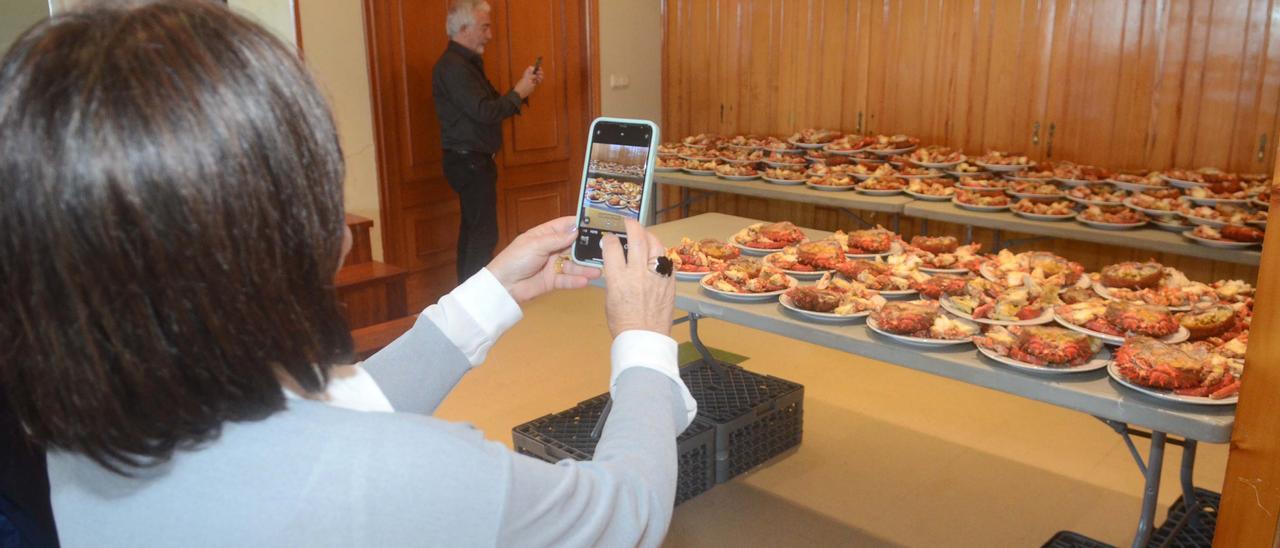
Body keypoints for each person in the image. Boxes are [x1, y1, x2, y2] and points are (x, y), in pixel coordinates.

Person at [0, 2, 694, 547]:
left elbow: (327, 422)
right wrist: (642, 338)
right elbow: (626, 512)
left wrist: (488, 295)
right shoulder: (411, 477)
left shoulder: (82, 426)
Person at [433, 0, 544, 283]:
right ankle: (472, 300)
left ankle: (466, 297)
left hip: (471, 159)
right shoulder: (454, 67)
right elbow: (486, 112)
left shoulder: (465, 64)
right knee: (482, 235)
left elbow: (493, 104)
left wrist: (523, 87)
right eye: (484, 27)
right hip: (468, 160)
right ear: (464, 28)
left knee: (475, 231)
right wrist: (519, 92)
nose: (490, 35)